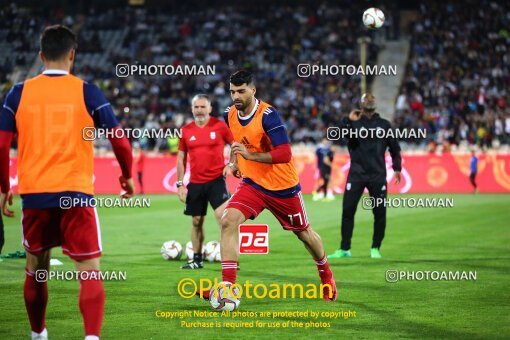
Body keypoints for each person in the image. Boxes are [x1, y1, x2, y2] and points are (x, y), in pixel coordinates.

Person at [0, 25, 134, 340]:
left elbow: (2, 145)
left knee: (36, 268)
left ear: (41, 55)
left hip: (34, 195)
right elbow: (121, 142)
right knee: (89, 271)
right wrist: (126, 176)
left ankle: (38, 334)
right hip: (76, 194)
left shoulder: (18, 93)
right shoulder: (88, 91)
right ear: (72, 55)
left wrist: (4, 187)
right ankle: (90, 337)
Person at [198, 70, 337, 301]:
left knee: (304, 234)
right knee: (228, 221)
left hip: (283, 188)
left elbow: (284, 153)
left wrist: (249, 157)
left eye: (241, 91)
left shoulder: (268, 115)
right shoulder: (229, 114)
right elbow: (236, 141)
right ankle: (227, 288)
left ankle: (326, 275)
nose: (236, 96)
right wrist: (234, 162)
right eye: (233, 91)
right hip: (253, 184)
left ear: (253, 90)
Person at [328, 93, 401, 260]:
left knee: (379, 212)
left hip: (377, 175)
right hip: (356, 174)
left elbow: (395, 148)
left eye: (372, 99)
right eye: (366, 99)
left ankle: (376, 247)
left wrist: (397, 168)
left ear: (374, 103)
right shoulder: (353, 123)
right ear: (361, 103)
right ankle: (344, 248)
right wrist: (347, 119)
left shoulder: (384, 125)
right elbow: (335, 135)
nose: (370, 100)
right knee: (347, 210)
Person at [177, 94, 233, 269]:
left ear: (210, 109)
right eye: (197, 107)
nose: (199, 110)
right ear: (192, 109)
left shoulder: (220, 126)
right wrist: (180, 184)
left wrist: (231, 164)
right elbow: (180, 158)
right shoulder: (186, 130)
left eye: (203, 107)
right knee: (196, 221)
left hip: (217, 180)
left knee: (224, 219)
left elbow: (236, 145)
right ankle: (196, 260)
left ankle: (230, 260)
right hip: (195, 183)